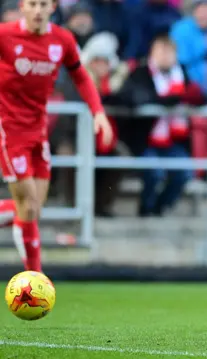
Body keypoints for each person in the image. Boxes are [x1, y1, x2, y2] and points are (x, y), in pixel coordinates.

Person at [0, 0, 112, 272]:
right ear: (22, 7)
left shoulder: (62, 40)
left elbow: (82, 76)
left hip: (39, 132)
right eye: (32, 4)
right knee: (26, 202)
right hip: (10, 131)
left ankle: (33, 275)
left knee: (33, 209)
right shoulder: (5, 36)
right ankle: (35, 276)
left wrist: (98, 112)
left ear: (53, 8)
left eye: (44, 4)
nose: (38, 10)